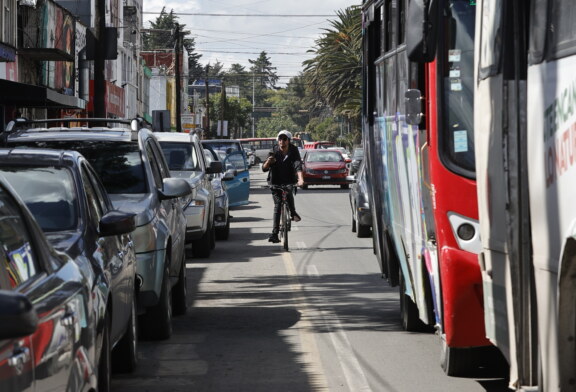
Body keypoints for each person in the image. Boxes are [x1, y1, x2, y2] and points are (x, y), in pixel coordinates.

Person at [262, 130, 304, 243]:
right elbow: (264, 168)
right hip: (275, 182)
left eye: (284, 139)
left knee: (289, 192)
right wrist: (268, 162)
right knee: (278, 205)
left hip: (289, 180)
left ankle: (293, 213)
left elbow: (297, 164)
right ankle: (274, 234)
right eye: (280, 139)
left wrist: (300, 179)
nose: (282, 142)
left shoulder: (294, 150)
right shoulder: (273, 151)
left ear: (289, 141)